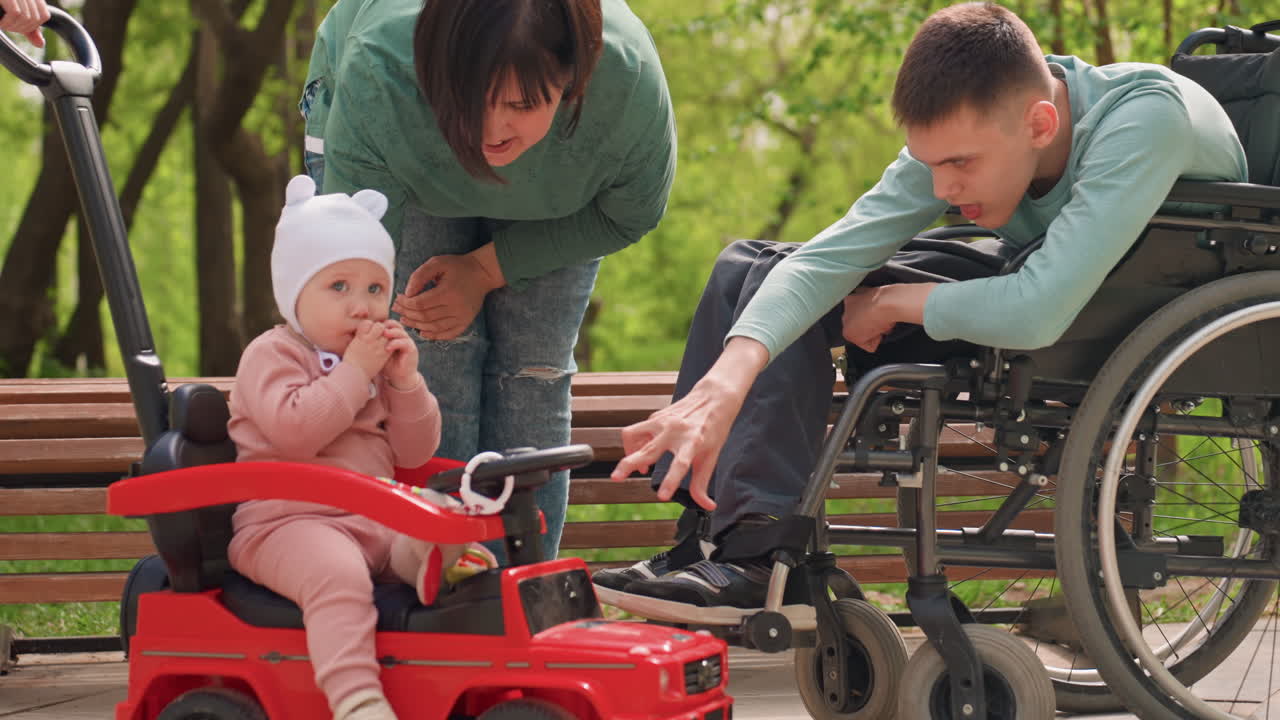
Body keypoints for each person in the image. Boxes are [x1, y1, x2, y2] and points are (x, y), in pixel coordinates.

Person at [594, 1, 1248, 622]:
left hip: (1108, 310)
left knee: (836, 289)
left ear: (1041, 126)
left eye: (960, 165)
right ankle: (714, 531)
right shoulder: (979, 122)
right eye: (931, 164)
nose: (940, 188)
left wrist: (894, 300)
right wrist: (723, 383)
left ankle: (760, 557)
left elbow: (1039, 311)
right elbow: (827, 258)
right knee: (753, 266)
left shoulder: (1144, 117)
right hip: (1030, 277)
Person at [298, 0, 676, 562]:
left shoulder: (626, 84)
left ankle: (526, 591)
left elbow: (629, 212)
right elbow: (356, 257)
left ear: (572, 82)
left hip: (564, 187)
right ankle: (433, 586)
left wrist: (483, 270)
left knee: (533, 371)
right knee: (426, 357)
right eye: (471, 101)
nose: (490, 129)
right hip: (408, 159)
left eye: (522, 104)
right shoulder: (381, 68)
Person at [227, 175, 497, 720]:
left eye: (375, 289)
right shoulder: (271, 354)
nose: (362, 307)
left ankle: (431, 556)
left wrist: (403, 383)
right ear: (293, 295)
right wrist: (356, 373)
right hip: (287, 524)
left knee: (440, 523)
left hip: (373, 516)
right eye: (338, 288)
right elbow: (296, 431)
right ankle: (356, 700)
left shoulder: (371, 366)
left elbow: (416, 452)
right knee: (339, 576)